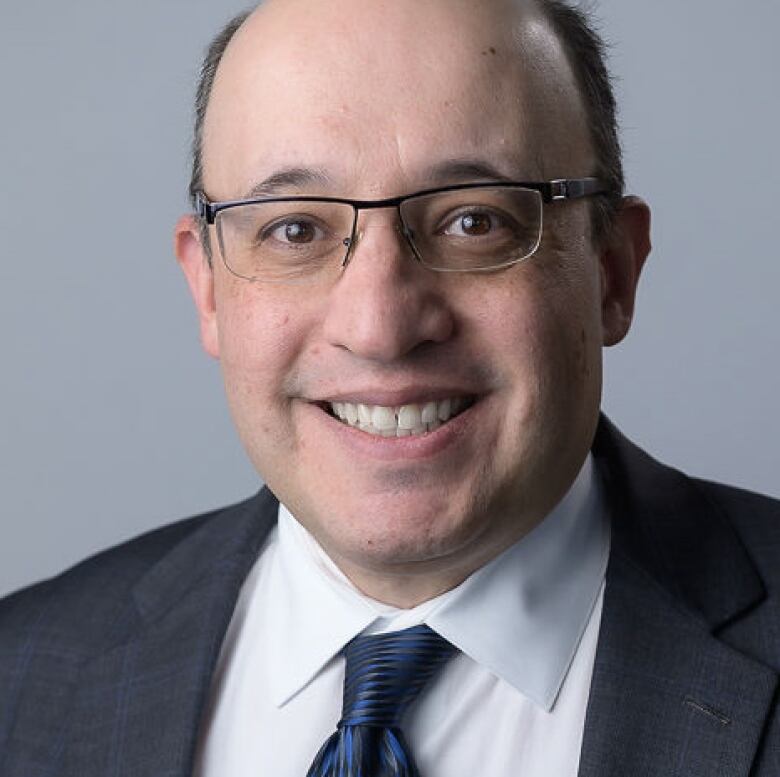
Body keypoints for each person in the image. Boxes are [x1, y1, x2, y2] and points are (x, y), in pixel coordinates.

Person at [1, 0, 778, 775]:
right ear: (207, 290)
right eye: (295, 229)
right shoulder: (23, 678)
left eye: (474, 222)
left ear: (612, 271)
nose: (380, 326)